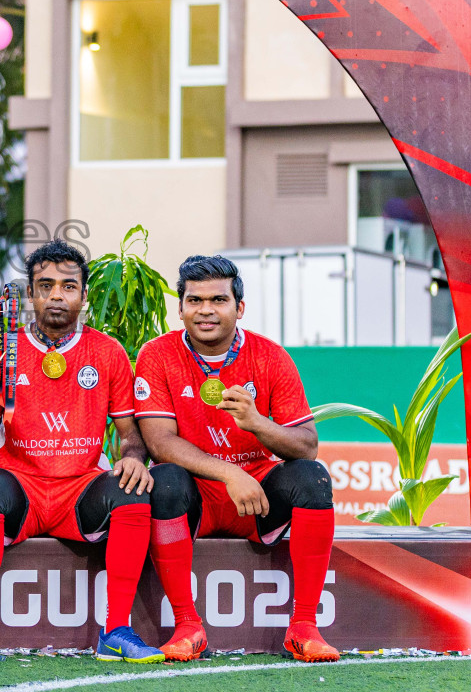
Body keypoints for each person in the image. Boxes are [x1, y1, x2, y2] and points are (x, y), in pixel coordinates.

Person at [0, 241, 165, 664]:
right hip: (22, 487)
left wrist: (132, 456)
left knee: (131, 491)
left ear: (83, 295)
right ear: (31, 293)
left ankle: (116, 630)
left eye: (68, 286)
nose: (57, 295)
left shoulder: (107, 352)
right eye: (46, 285)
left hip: (81, 488)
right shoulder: (1, 350)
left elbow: (130, 433)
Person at [135, 254, 339, 663]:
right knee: (165, 479)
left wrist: (257, 423)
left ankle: (304, 626)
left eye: (218, 299)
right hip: (197, 497)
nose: (205, 310)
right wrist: (229, 473)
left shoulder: (270, 356)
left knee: (313, 477)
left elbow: (307, 446)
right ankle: (188, 626)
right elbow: (159, 442)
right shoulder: (157, 354)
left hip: (256, 500)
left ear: (239, 307)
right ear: (180, 308)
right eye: (194, 300)